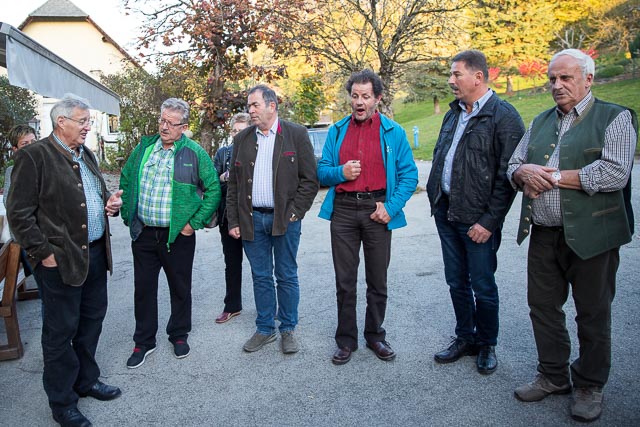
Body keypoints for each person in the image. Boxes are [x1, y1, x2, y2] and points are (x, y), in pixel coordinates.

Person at [507, 49, 637, 422]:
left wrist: (550, 176)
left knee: (592, 313)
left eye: (565, 77)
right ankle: (552, 376)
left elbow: (615, 172)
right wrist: (521, 173)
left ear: (588, 79)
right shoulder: (540, 120)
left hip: (594, 235)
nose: (557, 85)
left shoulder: (615, 117)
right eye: (552, 78)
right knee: (542, 308)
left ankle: (589, 385)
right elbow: (514, 164)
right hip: (544, 234)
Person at [6, 95, 123, 427]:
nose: (88, 127)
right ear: (61, 122)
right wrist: (44, 254)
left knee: (91, 322)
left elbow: (87, 198)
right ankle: (62, 402)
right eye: (83, 121)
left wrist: (107, 203)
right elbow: (19, 214)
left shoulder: (85, 154)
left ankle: (86, 380)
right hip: (59, 260)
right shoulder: (34, 156)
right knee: (60, 333)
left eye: (89, 121)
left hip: (95, 253)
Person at [426, 50, 525, 374]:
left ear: (478, 77)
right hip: (447, 211)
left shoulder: (503, 116)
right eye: (451, 74)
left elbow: (508, 176)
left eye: (457, 74)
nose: (450, 80)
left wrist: (489, 222)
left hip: (478, 221)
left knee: (482, 284)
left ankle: (486, 343)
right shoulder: (453, 113)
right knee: (456, 281)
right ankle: (465, 337)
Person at [317, 70, 418, 365]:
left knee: (378, 280)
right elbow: (321, 171)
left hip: (378, 210)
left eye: (365, 96)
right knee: (345, 281)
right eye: (355, 96)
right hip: (344, 211)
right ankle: (346, 340)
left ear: (377, 98)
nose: (359, 102)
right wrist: (341, 172)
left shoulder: (393, 132)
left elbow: (409, 175)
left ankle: (375, 335)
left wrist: (391, 207)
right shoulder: (337, 131)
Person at [120, 98, 220, 368]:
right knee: (143, 289)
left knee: (180, 287)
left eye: (171, 123)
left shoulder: (194, 153)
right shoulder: (144, 148)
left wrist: (193, 224)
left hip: (177, 236)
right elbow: (126, 178)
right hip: (144, 233)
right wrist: (128, 214)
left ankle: (178, 334)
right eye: (162, 120)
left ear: (183, 127)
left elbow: (213, 189)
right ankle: (144, 341)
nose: (164, 127)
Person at [226, 85, 318, 354]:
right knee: (261, 276)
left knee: (286, 275)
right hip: (252, 220)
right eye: (249, 106)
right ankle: (265, 329)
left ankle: (288, 329)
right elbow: (234, 185)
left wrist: (296, 212)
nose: (251, 110)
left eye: (255, 105)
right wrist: (234, 221)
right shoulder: (242, 139)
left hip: (285, 220)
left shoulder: (296, 134)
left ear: (272, 106)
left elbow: (310, 180)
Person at [213, 112, 250, 323]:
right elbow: (212, 181)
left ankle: (269, 307)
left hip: (252, 216)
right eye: (234, 131)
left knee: (261, 266)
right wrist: (224, 177)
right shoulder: (223, 153)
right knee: (232, 263)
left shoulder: (258, 151)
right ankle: (232, 305)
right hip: (228, 216)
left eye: (241, 131)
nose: (237, 135)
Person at [3, 124, 42, 291]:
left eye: (34, 141)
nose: (32, 146)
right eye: (25, 144)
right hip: (32, 238)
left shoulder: (47, 165)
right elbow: (10, 205)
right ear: (15, 149)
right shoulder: (13, 171)